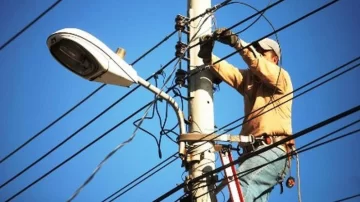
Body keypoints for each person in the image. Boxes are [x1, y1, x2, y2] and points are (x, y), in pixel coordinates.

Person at [198, 28, 294, 202]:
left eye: (261, 52)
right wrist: (208, 56)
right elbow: (230, 71)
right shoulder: (250, 80)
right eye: (256, 50)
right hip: (254, 153)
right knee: (246, 195)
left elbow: (257, 64)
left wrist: (237, 43)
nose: (256, 54)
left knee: (239, 192)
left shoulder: (282, 78)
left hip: (272, 150)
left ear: (275, 59)